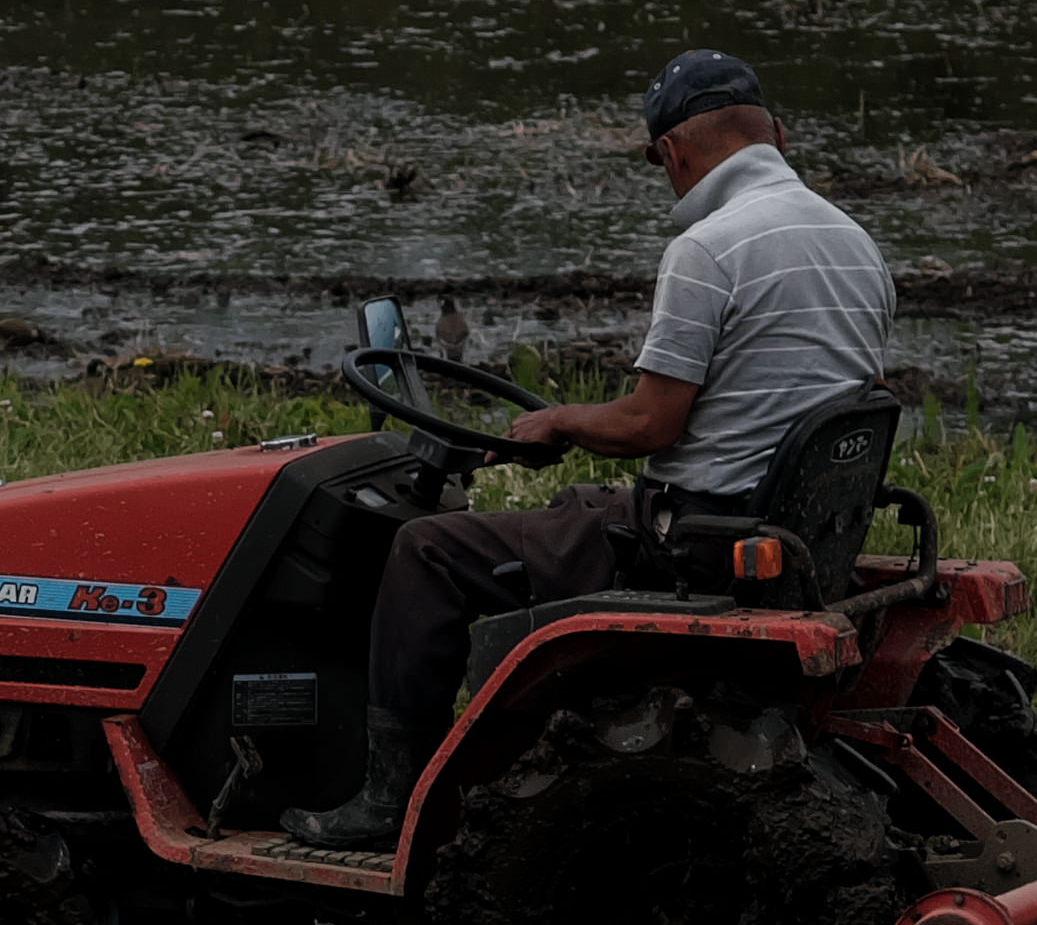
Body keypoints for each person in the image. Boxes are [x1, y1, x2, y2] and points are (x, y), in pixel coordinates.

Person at [285, 47, 896, 849]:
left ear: (670, 151)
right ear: (777, 134)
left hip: (698, 540)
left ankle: (389, 804)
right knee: (576, 508)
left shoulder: (710, 249)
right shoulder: (855, 242)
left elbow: (651, 425)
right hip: (790, 529)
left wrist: (562, 422)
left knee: (425, 551)